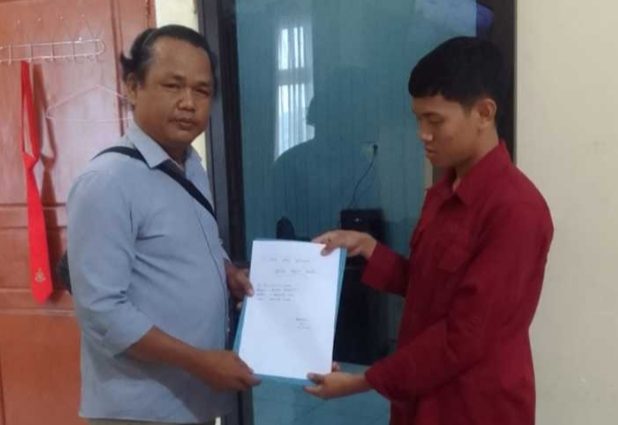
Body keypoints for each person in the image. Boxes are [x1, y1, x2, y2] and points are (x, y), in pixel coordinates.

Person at [305, 36, 553, 425]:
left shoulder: (516, 210)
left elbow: (464, 335)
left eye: (434, 120)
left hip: (474, 407)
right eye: (418, 119)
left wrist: (363, 381)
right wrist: (367, 247)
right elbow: (427, 288)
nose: (422, 133)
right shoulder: (443, 193)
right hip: (420, 397)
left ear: (484, 113)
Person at [67, 25, 259, 425]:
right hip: (140, 409)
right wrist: (199, 361)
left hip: (192, 401)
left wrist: (225, 270)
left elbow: (184, 243)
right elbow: (101, 311)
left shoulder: (191, 166)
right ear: (133, 87)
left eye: (202, 91)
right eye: (173, 86)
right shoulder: (107, 181)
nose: (188, 103)